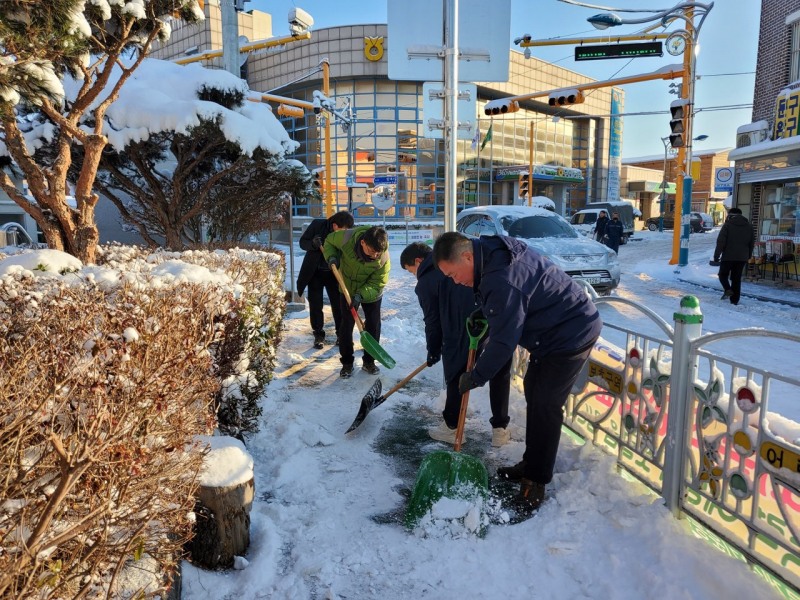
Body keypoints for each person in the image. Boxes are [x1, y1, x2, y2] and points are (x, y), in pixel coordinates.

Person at [433, 232, 602, 519]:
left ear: (467, 257)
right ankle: (530, 463)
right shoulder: (489, 254)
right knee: (534, 390)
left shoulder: (500, 278)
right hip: (550, 330)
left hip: (571, 333)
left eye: (453, 274)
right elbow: (514, 303)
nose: (455, 281)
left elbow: (503, 342)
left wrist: (475, 376)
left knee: (546, 404)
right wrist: (486, 313)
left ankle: (535, 482)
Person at [400, 242, 512, 447]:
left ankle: (452, 427)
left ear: (418, 261)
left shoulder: (426, 282)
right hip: (491, 320)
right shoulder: (456, 261)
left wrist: (433, 350)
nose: (413, 275)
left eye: (410, 271)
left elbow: (432, 321)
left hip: (461, 330)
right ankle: (500, 430)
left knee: (456, 375)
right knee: (499, 371)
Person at [323, 225, 390, 378]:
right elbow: (329, 242)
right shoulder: (346, 238)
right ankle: (347, 363)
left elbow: (377, 283)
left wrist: (361, 295)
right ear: (363, 243)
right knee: (346, 326)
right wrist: (332, 257)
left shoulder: (383, 258)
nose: (375, 255)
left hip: (371, 293)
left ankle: (369, 361)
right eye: (372, 251)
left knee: (373, 325)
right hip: (347, 286)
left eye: (378, 252)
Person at [297, 211, 355, 349]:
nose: (346, 232)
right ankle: (318, 334)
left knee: (338, 305)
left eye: (348, 229)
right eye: (344, 229)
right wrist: (313, 244)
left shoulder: (347, 233)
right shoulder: (317, 225)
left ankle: (341, 335)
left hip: (334, 273)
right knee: (316, 305)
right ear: (335, 225)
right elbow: (302, 243)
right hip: (315, 272)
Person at [713, 207, 754, 306]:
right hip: (742, 257)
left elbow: (720, 242)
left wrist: (716, 256)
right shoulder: (749, 226)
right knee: (736, 278)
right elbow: (751, 243)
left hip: (728, 256)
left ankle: (728, 289)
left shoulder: (727, 225)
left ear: (731, 215)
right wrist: (748, 256)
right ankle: (734, 300)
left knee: (723, 275)